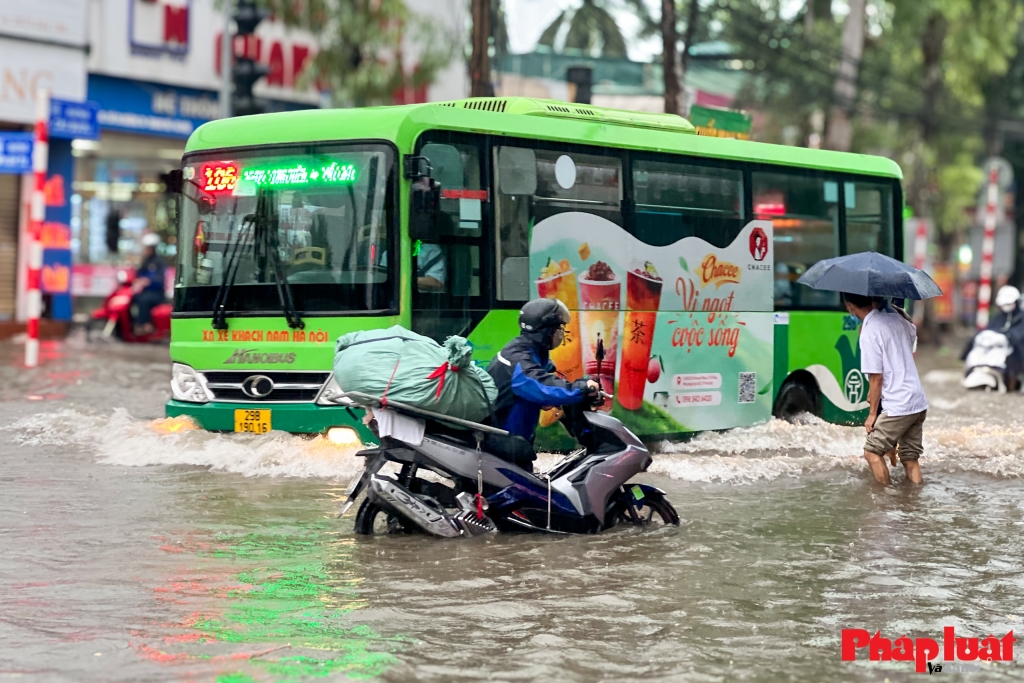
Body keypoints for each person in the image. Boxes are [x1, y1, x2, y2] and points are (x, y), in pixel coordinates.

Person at [487, 298, 600, 444]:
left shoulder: (529, 351)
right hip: (503, 444)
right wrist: (582, 388)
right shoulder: (518, 360)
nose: (561, 333)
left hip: (515, 441)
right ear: (546, 331)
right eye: (559, 328)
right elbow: (541, 385)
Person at [843, 292, 928, 485]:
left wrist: (872, 414)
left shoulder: (870, 330)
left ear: (850, 306)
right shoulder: (897, 319)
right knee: (909, 457)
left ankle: (885, 500)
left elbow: (876, 376)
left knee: (872, 452)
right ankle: (914, 501)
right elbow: (911, 337)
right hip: (917, 401)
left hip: (899, 404)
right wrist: (901, 312)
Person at [130, 233, 167, 335]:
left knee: (144, 300)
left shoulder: (159, 262)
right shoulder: (145, 261)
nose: (146, 250)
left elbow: (160, 279)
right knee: (132, 297)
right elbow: (137, 274)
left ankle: (146, 325)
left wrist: (148, 281)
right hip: (144, 292)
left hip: (157, 293)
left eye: (148, 248)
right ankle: (133, 324)